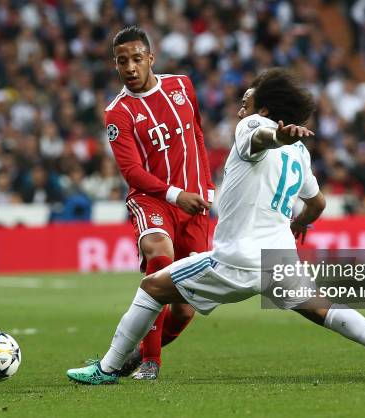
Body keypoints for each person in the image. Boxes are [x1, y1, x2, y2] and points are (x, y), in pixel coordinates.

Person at [67, 69, 365, 385]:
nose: (239, 107)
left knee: (151, 287)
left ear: (263, 108)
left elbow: (262, 138)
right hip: (279, 258)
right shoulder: (300, 152)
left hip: (236, 259)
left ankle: (107, 368)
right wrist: (297, 224)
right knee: (324, 309)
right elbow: (318, 204)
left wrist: (277, 135)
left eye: (246, 101)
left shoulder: (254, 126)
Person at [103, 26, 215, 380]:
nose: (131, 68)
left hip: (194, 204)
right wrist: (174, 194)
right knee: (159, 256)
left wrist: (206, 187)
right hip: (153, 200)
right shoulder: (117, 113)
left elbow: (197, 132)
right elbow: (131, 171)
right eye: (123, 62)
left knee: (184, 311)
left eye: (137, 59)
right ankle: (151, 363)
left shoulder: (182, 86)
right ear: (116, 65)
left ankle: (140, 352)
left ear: (151, 58)